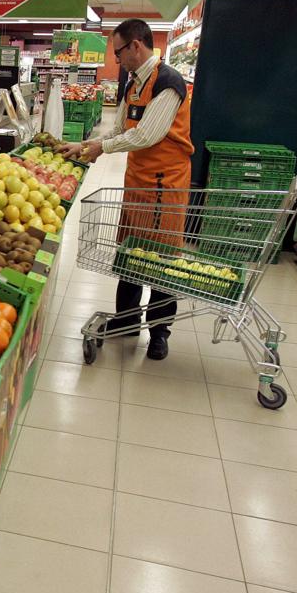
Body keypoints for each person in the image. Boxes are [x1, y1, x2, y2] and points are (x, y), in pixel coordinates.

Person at [65, 18, 194, 360]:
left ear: (136, 45)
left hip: (164, 185)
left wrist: (101, 149)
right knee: (130, 253)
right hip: (137, 180)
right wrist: (87, 145)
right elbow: (121, 128)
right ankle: (126, 321)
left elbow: (146, 135)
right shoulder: (133, 84)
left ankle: (159, 333)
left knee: (161, 260)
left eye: (119, 52)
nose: (117, 59)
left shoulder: (169, 82)